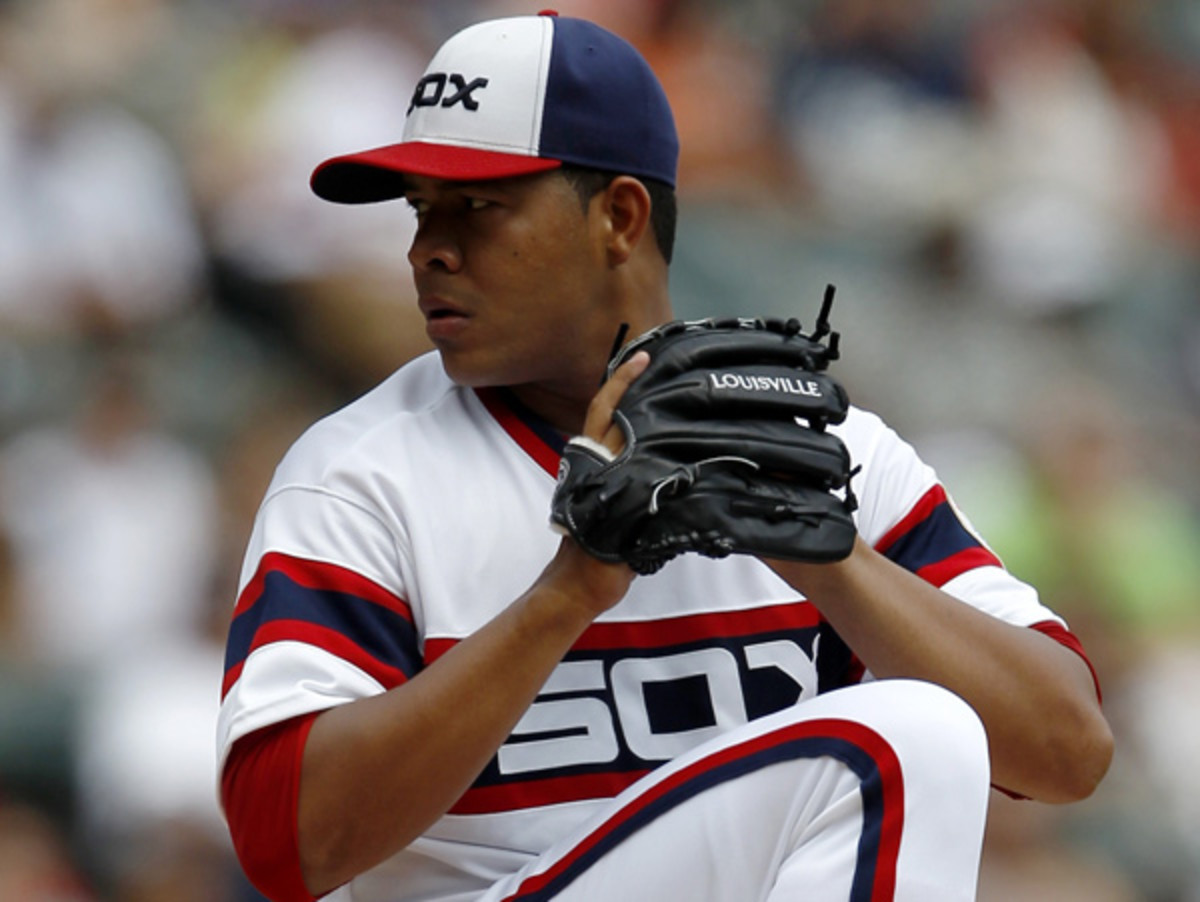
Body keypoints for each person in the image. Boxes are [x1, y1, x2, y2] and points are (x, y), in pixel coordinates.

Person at [216, 12, 1113, 902]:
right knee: (903, 740)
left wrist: (835, 565)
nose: (426, 251)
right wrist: (566, 596)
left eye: (476, 208)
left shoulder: (822, 453)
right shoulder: (361, 472)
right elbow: (283, 843)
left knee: (923, 738)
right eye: (421, 211)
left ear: (619, 215)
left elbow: (1068, 751)